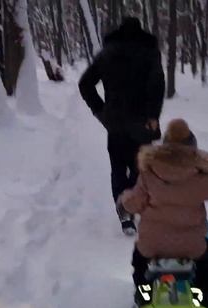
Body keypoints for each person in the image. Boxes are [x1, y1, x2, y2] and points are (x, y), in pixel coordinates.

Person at [118, 119, 208, 308]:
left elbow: (134, 203)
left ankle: (144, 295)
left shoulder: (149, 171)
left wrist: (124, 200)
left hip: (153, 243)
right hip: (191, 244)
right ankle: (200, 297)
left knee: (139, 260)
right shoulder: (200, 175)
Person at [79, 17, 165, 234]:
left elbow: (85, 83)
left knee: (118, 168)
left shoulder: (108, 51)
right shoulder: (149, 50)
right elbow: (157, 86)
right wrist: (153, 115)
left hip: (115, 122)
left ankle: (124, 212)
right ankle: (135, 205)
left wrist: (100, 110)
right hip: (143, 122)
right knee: (141, 168)